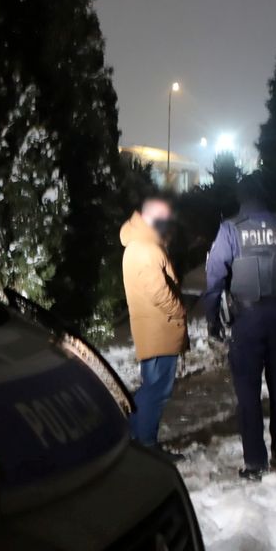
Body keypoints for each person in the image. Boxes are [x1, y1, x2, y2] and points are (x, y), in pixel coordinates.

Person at [201, 174, 276, 480]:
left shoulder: (230, 230)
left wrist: (213, 321)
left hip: (246, 321)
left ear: (242, 198)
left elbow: (213, 280)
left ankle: (255, 462)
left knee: (248, 394)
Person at [120, 193, 186, 457]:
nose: (168, 222)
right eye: (164, 217)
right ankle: (144, 442)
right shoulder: (145, 248)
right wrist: (179, 310)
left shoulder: (142, 244)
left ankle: (136, 435)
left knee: (152, 387)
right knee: (157, 389)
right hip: (159, 328)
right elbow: (158, 292)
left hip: (156, 328)